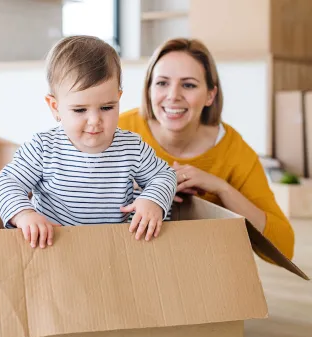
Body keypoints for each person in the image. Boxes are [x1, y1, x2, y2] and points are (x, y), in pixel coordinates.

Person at [0, 35, 176, 249]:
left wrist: (152, 200)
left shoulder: (131, 147)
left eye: (107, 107)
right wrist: (25, 215)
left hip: (112, 248)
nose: (95, 120)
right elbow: (6, 182)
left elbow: (164, 175)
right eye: (80, 110)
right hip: (53, 246)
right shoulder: (43, 148)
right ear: (55, 107)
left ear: (119, 98)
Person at [118, 38, 294, 260]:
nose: (173, 95)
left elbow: (284, 246)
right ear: (149, 89)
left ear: (210, 95)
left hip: (201, 266)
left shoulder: (233, 150)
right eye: (162, 83)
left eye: (189, 85)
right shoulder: (119, 131)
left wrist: (222, 189)